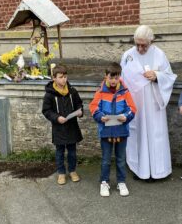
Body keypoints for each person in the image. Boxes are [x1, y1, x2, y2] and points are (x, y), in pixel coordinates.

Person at [121, 25, 177, 181]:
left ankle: (158, 171)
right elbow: (122, 79)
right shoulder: (128, 55)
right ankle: (139, 170)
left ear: (150, 41)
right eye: (137, 44)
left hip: (153, 105)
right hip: (136, 104)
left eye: (143, 45)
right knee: (137, 134)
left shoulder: (159, 54)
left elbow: (169, 76)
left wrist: (157, 75)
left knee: (155, 135)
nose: (139, 48)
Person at [89, 62, 137, 197]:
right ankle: (104, 182)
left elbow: (132, 109)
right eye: (111, 78)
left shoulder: (125, 92)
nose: (113, 81)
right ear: (106, 76)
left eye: (116, 78)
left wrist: (126, 117)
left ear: (119, 77)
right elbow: (93, 107)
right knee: (106, 159)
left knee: (121, 159)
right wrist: (100, 116)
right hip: (106, 131)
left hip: (121, 130)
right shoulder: (100, 92)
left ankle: (121, 182)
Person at [42, 65, 83, 185]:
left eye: (65, 77)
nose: (63, 79)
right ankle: (61, 172)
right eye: (60, 77)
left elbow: (79, 104)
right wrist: (57, 118)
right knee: (59, 151)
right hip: (59, 128)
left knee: (72, 151)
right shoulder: (49, 94)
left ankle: (72, 170)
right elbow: (46, 111)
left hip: (71, 127)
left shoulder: (72, 91)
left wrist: (80, 112)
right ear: (54, 78)